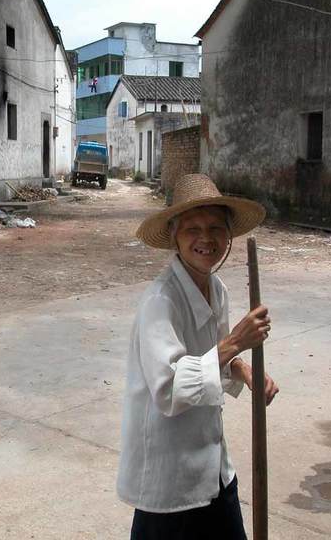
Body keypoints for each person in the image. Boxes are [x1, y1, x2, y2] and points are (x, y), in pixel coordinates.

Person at [117, 173, 280, 540]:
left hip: (214, 468)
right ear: (174, 235)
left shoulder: (216, 289)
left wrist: (242, 369)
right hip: (170, 480)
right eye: (192, 228)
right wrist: (236, 343)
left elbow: (213, 356)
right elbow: (170, 389)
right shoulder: (161, 302)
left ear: (228, 236)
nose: (205, 239)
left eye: (215, 228)